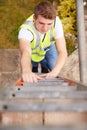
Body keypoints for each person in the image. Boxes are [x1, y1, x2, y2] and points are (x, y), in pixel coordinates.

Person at [18, 1, 67, 82]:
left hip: (48, 47)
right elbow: (26, 51)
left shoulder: (56, 22)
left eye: (49, 24)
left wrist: (55, 71)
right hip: (33, 52)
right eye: (41, 23)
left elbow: (62, 51)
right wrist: (26, 71)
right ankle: (35, 67)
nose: (45, 28)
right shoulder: (25, 30)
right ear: (34, 18)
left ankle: (44, 67)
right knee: (33, 66)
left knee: (56, 68)